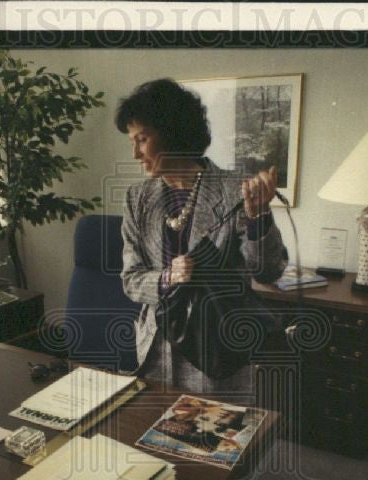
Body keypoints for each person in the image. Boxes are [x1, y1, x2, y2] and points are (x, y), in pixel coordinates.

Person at [116, 78, 288, 397]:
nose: (135, 153)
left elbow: (267, 272)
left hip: (218, 350)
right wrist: (167, 278)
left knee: (213, 439)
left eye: (142, 139)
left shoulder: (235, 190)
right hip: (155, 351)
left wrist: (257, 218)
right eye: (132, 141)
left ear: (171, 133)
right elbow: (130, 280)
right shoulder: (137, 198)